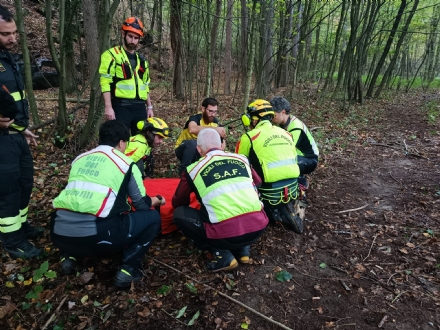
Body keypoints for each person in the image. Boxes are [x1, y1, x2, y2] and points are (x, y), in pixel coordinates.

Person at [50, 120, 163, 289]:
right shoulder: (125, 164)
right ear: (122, 142)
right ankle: (128, 269)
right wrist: (159, 199)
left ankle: (68, 257)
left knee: (69, 209)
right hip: (98, 238)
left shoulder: (80, 159)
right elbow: (141, 204)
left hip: (58, 233)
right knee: (153, 217)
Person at [172, 128, 268, 272]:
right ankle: (243, 250)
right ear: (222, 145)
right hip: (257, 229)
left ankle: (221, 254)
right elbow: (258, 183)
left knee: (179, 214)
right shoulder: (242, 159)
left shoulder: (193, 170)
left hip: (224, 235)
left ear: (198, 149)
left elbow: (178, 202)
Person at [0, 5, 43, 260]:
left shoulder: (7, 58)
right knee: (8, 191)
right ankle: (12, 240)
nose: (13, 38)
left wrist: (22, 128)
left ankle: (22, 226)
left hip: (15, 136)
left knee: (25, 183)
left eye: (14, 32)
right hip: (2, 142)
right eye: (6, 34)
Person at [235, 99, 302, 230]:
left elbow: (239, 164)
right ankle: (284, 209)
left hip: (269, 192)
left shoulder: (248, 137)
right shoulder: (286, 133)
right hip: (293, 186)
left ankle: (266, 214)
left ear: (253, 120)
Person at [99, 17, 153, 134]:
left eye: (136, 38)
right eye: (130, 36)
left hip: (140, 108)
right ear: (123, 34)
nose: (132, 41)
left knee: (141, 141)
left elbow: (145, 85)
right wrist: (108, 107)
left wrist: (149, 107)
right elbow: (105, 82)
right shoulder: (111, 55)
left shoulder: (142, 61)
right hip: (121, 106)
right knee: (118, 140)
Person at [270, 96, 319, 188]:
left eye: (274, 115)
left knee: (283, 162)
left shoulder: (296, 127)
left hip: (310, 160)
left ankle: (302, 183)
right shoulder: (282, 123)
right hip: (297, 156)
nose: (271, 118)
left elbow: (286, 150)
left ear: (283, 112)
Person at [174, 97, 226, 172]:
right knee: (193, 143)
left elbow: (221, 140)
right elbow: (192, 129)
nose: (213, 114)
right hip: (183, 148)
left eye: (215, 112)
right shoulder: (195, 118)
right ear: (203, 109)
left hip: (200, 151)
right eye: (210, 111)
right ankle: (184, 171)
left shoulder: (214, 121)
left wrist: (221, 143)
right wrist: (214, 129)